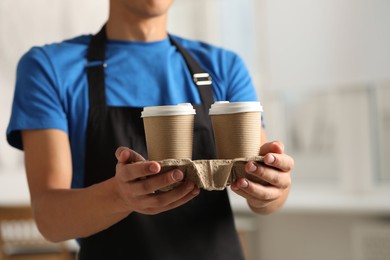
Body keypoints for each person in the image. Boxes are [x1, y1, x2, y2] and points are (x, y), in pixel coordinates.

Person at [6, 0, 294, 259]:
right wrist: (120, 196)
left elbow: (266, 193)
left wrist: (273, 189)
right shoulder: (48, 68)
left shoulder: (224, 67)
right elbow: (49, 219)